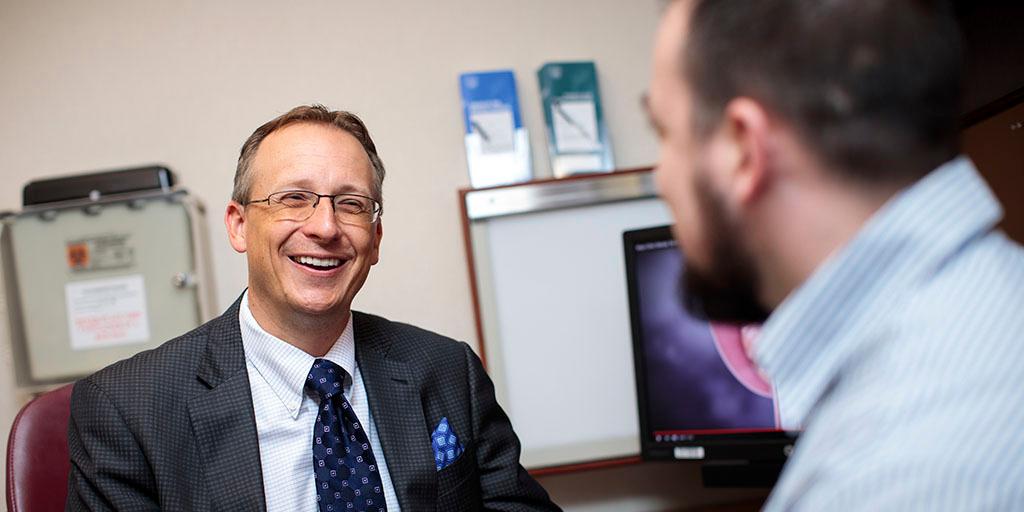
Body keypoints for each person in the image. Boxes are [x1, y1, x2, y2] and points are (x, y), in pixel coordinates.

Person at [66, 105, 559, 512]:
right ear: (238, 225)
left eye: (350, 204)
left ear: (376, 238)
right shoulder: (127, 409)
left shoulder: (448, 370)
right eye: (294, 198)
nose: (325, 227)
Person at [646, 1, 1024, 510]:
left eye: (665, 133)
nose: (659, 177)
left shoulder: (879, 477)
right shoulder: (999, 301)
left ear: (744, 149)